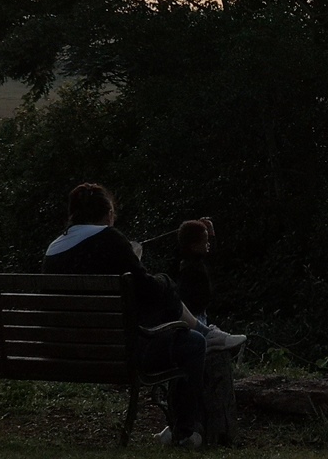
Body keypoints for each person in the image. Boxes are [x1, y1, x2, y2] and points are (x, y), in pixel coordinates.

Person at [42, 183, 245, 448]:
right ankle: (185, 430)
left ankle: (205, 334)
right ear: (108, 213)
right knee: (192, 342)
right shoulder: (110, 239)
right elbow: (148, 290)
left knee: (169, 310)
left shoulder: (53, 251)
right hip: (121, 353)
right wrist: (147, 268)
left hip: (67, 352)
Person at [176, 218, 215, 326]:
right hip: (195, 317)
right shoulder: (191, 269)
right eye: (205, 242)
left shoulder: (193, 261)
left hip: (201, 314)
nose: (208, 244)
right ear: (194, 247)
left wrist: (210, 232)